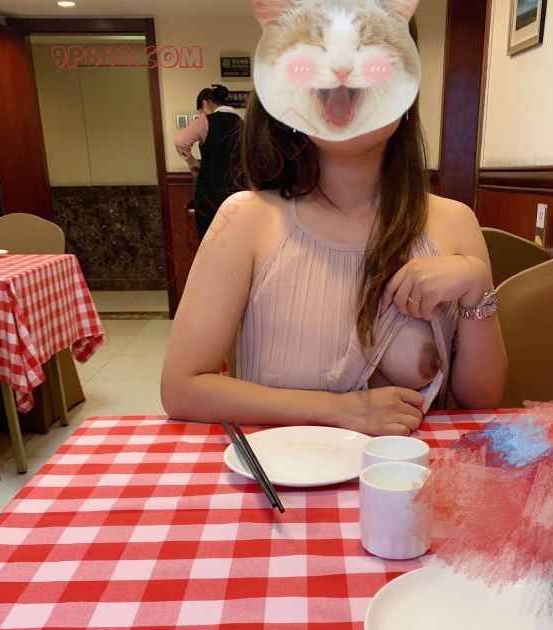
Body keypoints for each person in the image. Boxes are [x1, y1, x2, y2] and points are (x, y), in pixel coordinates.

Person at [162, 9, 507, 437]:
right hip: (283, 474)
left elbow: (482, 400)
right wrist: (339, 410)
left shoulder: (455, 223)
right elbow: (182, 388)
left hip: (415, 475)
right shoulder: (245, 220)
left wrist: (477, 283)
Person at [174, 84, 243, 240]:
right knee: (236, 241)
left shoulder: (206, 121)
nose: (201, 114)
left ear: (205, 104)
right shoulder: (242, 123)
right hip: (237, 196)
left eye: (200, 110)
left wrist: (191, 162)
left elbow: (180, 142)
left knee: (209, 241)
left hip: (210, 196)